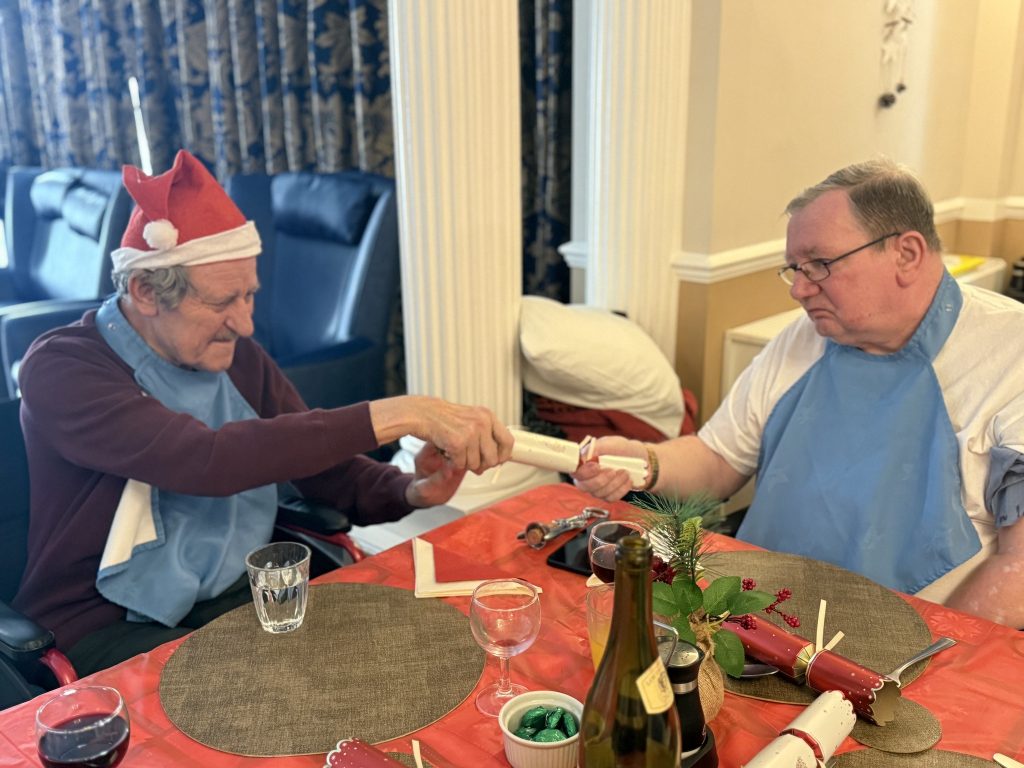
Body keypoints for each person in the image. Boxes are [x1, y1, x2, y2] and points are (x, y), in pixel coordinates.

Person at [12, 150, 514, 675]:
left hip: (233, 591)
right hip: (102, 622)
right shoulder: (61, 367)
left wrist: (411, 489)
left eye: (249, 296)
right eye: (223, 302)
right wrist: (398, 412)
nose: (245, 324)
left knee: (391, 659)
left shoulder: (233, 355)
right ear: (145, 292)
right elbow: (204, 461)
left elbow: (325, 472)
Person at [574, 158, 1024, 628]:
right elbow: (718, 459)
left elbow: (1017, 569)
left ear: (907, 254)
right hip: (753, 618)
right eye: (795, 268)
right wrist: (644, 463)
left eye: (820, 265)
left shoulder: (1010, 355)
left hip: (910, 648)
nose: (799, 290)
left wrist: (934, 660)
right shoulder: (802, 338)